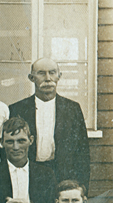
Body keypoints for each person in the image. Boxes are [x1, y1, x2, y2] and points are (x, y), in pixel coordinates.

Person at [8, 57, 91, 191]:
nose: (48, 78)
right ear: (31, 78)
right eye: (41, 73)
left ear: (59, 76)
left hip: (63, 176)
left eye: (52, 72)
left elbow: (82, 152)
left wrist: (82, 187)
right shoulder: (17, 109)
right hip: (30, 175)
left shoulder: (72, 108)